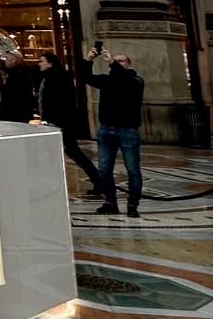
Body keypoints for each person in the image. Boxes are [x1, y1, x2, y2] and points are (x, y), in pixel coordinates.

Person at [79, 44, 146, 216]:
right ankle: (110, 202)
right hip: (107, 129)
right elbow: (85, 77)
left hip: (128, 130)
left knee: (133, 169)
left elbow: (124, 81)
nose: (117, 63)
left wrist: (111, 63)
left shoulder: (135, 81)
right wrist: (88, 60)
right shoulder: (107, 80)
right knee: (104, 169)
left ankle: (133, 205)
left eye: (121, 61)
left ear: (128, 65)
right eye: (115, 61)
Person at [31, 50, 103, 193]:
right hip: (55, 123)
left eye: (41, 61)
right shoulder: (48, 77)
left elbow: (61, 102)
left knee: (72, 153)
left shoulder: (58, 78)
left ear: (50, 63)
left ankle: (97, 181)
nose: (39, 64)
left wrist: (55, 122)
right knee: (69, 153)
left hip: (60, 123)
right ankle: (97, 180)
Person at [0, 50, 38, 123]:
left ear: (13, 60)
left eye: (7, 58)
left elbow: (12, 94)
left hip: (15, 113)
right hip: (13, 113)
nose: (5, 61)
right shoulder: (11, 72)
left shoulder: (19, 74)